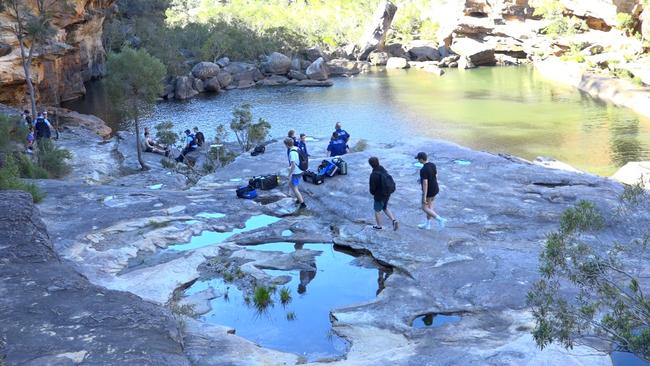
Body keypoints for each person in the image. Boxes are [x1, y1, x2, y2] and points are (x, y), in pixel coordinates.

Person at [415, 152, 446, 230]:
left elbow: (425, 183)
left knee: (424, 208)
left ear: (422, 159)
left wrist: (424, 196)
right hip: (435, 188)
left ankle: (440, 219)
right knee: (430, 207)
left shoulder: (423, 169)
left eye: (418, 159)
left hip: (429, 191)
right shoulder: (432, 165)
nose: (418, 160)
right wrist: (421, 179)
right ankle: (428, 225)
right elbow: (435, 176)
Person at [368, 156, 398, 230]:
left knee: (377, 210)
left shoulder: (373, 174)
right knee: (385, 208)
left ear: (370, 165)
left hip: (379, 195)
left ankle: (378, 226)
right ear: (378, 162)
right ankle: (394, 220)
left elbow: (372, 188)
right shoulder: (383, 170)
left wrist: (373, 193)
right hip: (387, 193)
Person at [285, 137, 306, 209]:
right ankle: (299, 198)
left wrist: (289, 174)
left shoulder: (291, 153)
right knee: (291, 184)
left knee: (294, 188)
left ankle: (302, 204)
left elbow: (293, 165)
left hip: (297, 172)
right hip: (301, 169)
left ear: (287, 145)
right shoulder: (297, 148)